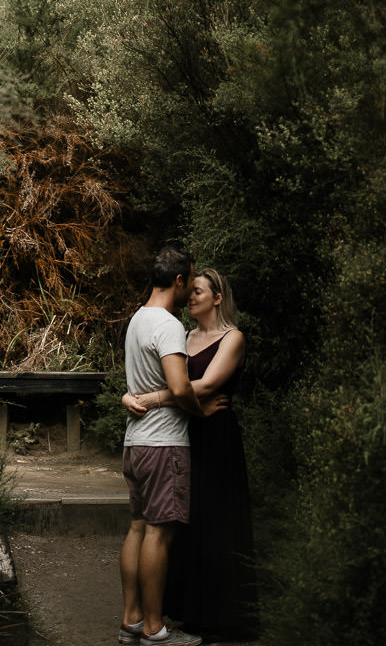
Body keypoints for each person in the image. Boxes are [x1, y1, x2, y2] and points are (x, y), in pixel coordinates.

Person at [123, 268, 258, 641]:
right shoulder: (182, 336)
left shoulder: (232, 338)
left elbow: (206, 385)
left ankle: (222, 617)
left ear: (218, 298)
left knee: (217, 523)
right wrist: (129, 395)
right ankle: (187, 610)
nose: (192, 297)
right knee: (184, 525)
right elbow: (163, 379)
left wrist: (151, 399)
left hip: (216, 435)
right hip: (183, 431)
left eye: (200, 291)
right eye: (192, 290)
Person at [117, 244, 206, 646]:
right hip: (163, 443)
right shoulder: (168, 325)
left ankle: (131, 620)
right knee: (158, 534)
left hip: (135, 442)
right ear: (179, 280)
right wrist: (199, 412)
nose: (191, 289)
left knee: (137, 528)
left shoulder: (137, 319)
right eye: (191, 280)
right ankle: (155, 629)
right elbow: (180, 387)